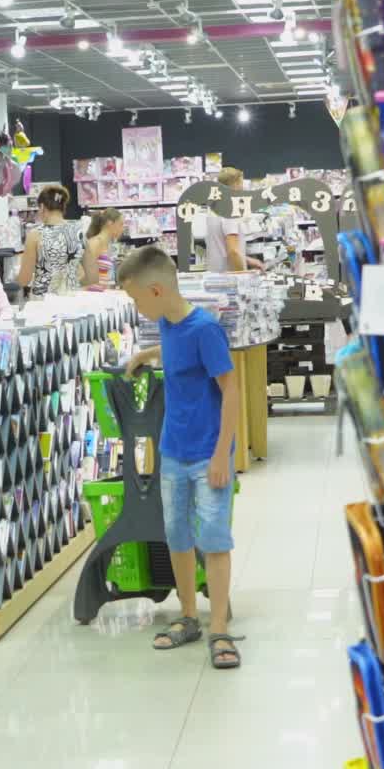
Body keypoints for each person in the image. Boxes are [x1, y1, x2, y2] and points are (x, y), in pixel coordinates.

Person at [119, 245, 240, 670]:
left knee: (213, 537)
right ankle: (189, 616)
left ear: (155, 290)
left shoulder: (205, 328)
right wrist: (146, 355)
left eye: (135, 298)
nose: (135, 307)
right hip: (173, 448)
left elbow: (231, 389)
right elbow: (176, 356)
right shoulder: (168, 326)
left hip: (207, 452)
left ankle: (219, 625)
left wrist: (224, 453)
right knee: (176, 533)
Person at [16, 184, 83, 296]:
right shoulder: (78, 231)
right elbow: (82, 273)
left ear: (42, 207)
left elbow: (24, 279)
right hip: (72, 299)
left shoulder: (35, 235)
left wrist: (16, 277)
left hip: (44, 302)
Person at [204, 166, 262, 273]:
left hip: (215, 276)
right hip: (229, 280)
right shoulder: (230, 210)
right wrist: (242, 276)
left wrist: (248, 260)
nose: (242, 188)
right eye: (241, 183)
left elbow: (221, 248)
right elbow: (233, 252)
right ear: (235, 185)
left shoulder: (214, 208)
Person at [82, 208, 124, 286]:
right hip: (93, 295)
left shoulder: (107, 244)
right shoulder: (95, 243)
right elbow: (87, 276)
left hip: (101, 293)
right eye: (121, 224)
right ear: (110, 223)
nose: (122, 229)